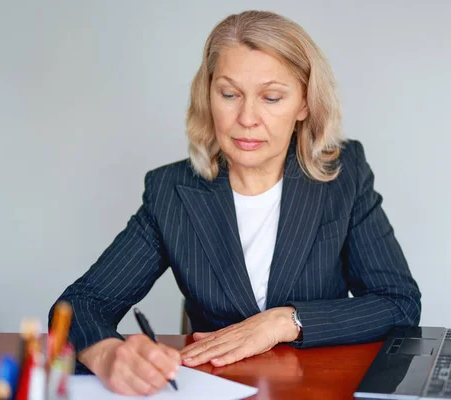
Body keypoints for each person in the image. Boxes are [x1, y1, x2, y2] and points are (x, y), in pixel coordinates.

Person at [49, 10, 422, 396]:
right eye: (229, 95)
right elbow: (80, 304)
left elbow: (398, 302)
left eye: (272, 97)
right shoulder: (170, 191)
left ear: (304, 104)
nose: (246, 118)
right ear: (208, 96)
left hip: (315, 388)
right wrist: (107, 353)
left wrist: (284, 322)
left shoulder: (344, 176)